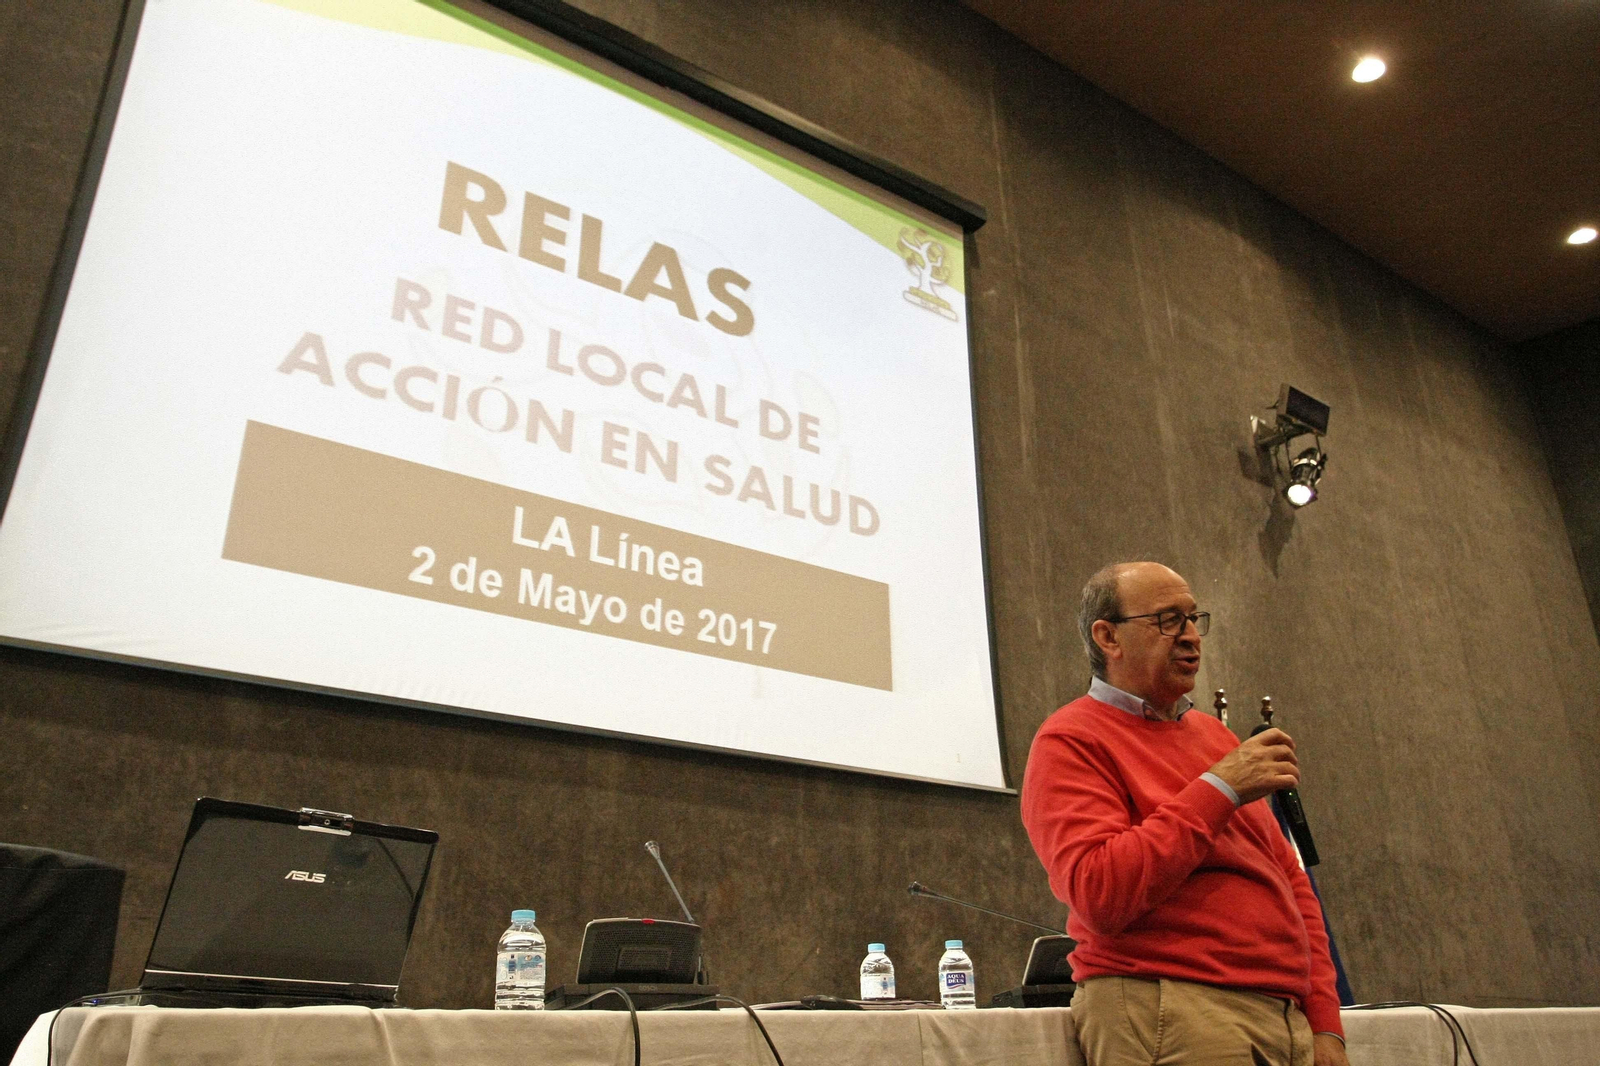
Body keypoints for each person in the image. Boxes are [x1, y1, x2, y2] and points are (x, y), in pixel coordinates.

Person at [1020, 562, 1349, 1066]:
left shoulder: (1216, 738)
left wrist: (1325, 1023)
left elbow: (1288, 879)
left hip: (1284, 1015)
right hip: (1171, 1007)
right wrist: (1219, 788)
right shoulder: (1071, 739)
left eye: (1194, 618)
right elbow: (1099, 892)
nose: (1192, 636)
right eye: (1169, 620)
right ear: (1108, 637)